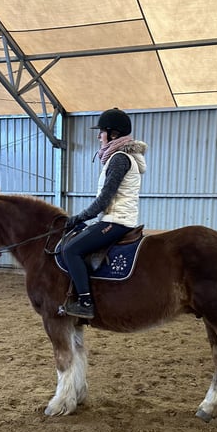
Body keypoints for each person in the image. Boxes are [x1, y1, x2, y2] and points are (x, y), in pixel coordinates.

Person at [61, 108, 148, 319]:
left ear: (113, 134)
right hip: (115, 218)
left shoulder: (119, 158)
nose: (98, 135)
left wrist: (79, 218)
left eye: (101, 131)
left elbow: (104, 200)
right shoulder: (119, 157)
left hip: (116, 221)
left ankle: (85, 302)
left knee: (71, 250)